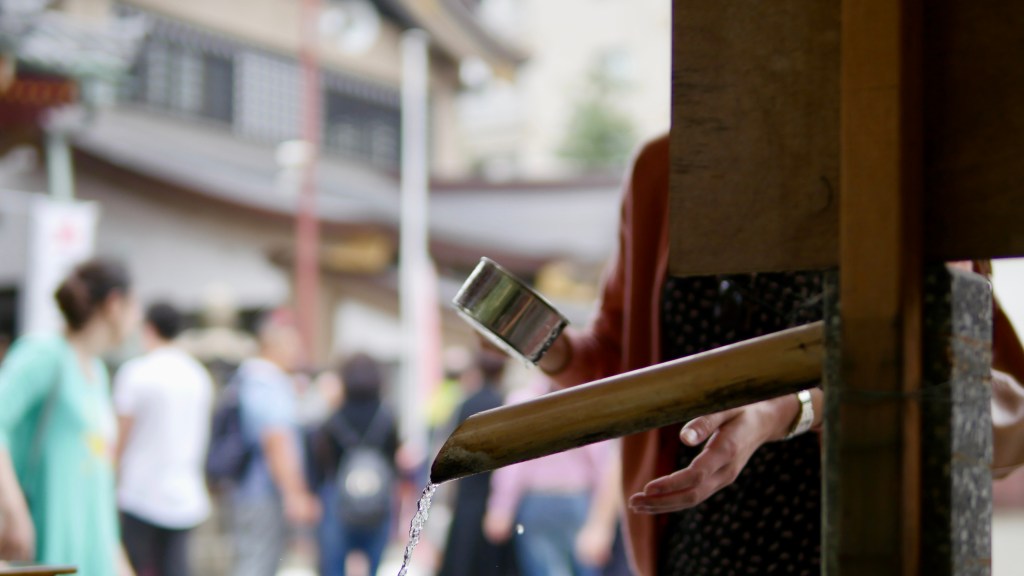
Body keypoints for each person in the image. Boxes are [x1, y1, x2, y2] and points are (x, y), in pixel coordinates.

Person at [527, 135, 1024, 575]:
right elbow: (621, 364)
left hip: (858, 539)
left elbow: (946, 374)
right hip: (698, 543)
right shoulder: (664, 166)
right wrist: (544, 344)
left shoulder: (901, 147)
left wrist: (791, 409)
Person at [0, 258, 138, 575]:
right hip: (47, 544)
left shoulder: (98, 372)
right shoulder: (45, 354)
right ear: (114, 304)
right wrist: (13, 510)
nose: (137, 317)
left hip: (92, 553)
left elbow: (99, 483)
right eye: (134, 305)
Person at [115, 302, 214, 576]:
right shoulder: (198, 375)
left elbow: (121, 434)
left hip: (139, 491)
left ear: (148, 329)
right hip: (185, 492)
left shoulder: (136, 372)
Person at [484, 378, 611, 576]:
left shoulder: (523, 401)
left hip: (543, 500)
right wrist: (601, 520)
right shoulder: (585, 400)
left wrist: (501, 508)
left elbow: (512, 463)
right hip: (571, 498)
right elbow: (602, 463)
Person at [230, 310, 319, 576]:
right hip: (262, 491)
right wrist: (295, 494)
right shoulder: (267, 382)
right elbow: (276, 439)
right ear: (272, 346)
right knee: (257, 562)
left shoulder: (253, 380)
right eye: (292, 345)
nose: (298, 352)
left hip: (258, 490)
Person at [310, 353, 399, 576]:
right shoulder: (387, 417)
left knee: (334, 565)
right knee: (374, 563)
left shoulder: (334, 417)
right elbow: (393, 459)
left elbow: (321, 460)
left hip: (338, 496)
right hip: (378, 496)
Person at [438, 349, 517, 576]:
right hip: (494, 492)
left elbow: (452, 454)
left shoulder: (466, 405)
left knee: (463, 560)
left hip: (468, 491)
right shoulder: (506, 404)